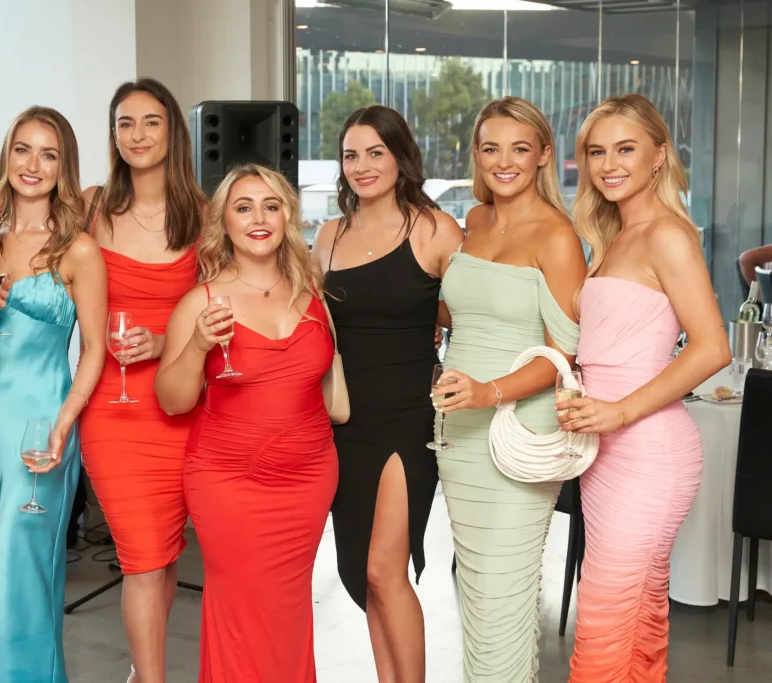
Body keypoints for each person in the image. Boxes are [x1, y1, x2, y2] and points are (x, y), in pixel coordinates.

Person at [561, 93, 730, 681]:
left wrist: (618, 411)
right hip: (602, 455)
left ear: (659, 155)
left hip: (650, 452)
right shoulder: (610, 238)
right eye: (597, 151)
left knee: (606, 622)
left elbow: (713, 348)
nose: (609, 164)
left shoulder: (667, 235)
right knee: (636, 616)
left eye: (625, 149)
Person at [155, 164, 338, 683]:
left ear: (287, 217)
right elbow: (172, 400)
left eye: (271, 206)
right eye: (243, 207)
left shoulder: (315, 290)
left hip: (308, 479)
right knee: (238, 612)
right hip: (229, 481)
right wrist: (197, 347)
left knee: (288, 612)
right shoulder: (201, 301)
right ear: (223, 223)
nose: (259, 218)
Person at [431, 97, 585, 681]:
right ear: (476, 154)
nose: (504, 161)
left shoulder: (557, 235)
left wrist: (488, 391)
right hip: (459, 432)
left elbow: (562, 354)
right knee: (477, 593)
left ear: (544, 154)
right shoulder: (470, 222)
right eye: (490, 147)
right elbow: (455, 314)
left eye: (520, 148)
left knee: (505, 590)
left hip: (520, 429)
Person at [310, 105, 462, 683]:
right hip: (345, 421)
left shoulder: (435, 228)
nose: (363, 165)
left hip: (407, 419)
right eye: (351, 155)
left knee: (384, 567)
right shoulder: (329, 236)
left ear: (401, 156)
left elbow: (470, 316)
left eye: (376, 152)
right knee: (359, 572)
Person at [0, 106, 107, 682]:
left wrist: (64, 424)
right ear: (7, 157)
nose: (33, 164)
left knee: (21, 570)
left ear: (63, 166)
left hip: (40, 427)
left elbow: (95, 350)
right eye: (22, 149)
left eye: (48, 154)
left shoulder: (78, 251)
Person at [78, 77, 207, 683]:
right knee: (138, 554)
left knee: (164, 553)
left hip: (181, 408)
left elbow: (220, 310)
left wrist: (164, 342)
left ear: (172, 132)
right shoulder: (89, 206)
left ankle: (141, 672)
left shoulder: (204, 217)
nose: (137, 134)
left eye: (151, 121)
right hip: (112, 406)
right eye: (125, 123)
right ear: (113, 135)